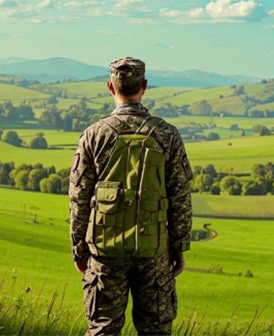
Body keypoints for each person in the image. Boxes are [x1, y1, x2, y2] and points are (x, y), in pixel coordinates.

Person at [69, 57, 193, 335]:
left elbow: (79, 198)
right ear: (144, 86)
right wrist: (179, 245)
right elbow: (180, 196)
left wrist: (79, 247)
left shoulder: (93, 135)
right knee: (155, 329)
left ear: (110, 87)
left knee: (103, 328)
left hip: (104, 250)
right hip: (154, 249)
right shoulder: (167, 135)